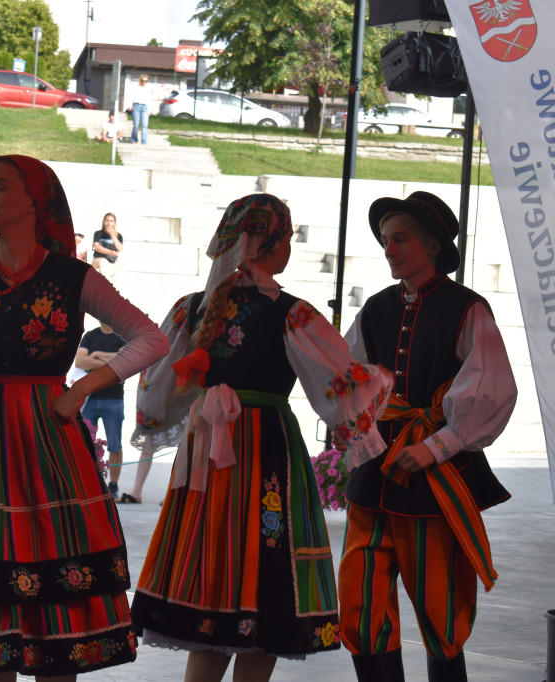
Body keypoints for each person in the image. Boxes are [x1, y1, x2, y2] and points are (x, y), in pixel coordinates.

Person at [0, 154, 169, 678]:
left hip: (50, 444)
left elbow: (153, 338)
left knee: (58, 597)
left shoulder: (72, 277)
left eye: (1, 187)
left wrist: (85, 386)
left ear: (35, 201)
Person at [130, 194, 392, 682]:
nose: (289, 245)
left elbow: (154, 397)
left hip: (207, 452)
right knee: (267, 575)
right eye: (287, 236)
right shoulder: (291, 313)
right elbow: (342, 384)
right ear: (270, 243)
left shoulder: (191, 310)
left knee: (214, 577)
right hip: (266, 450)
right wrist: (382, 379)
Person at [338, 192, 517, 682]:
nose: (389, 249)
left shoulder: (467, 308)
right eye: (384, 241)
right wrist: (354, 436)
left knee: (439, 603)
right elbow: (351, 381)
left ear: (433, 245)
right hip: (377, 473)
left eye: (401, 239)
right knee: (360, 596)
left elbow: (492, 386)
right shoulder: (375, 309)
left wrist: (436, 446)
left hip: (434, 478)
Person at [75, 323, 128, 500]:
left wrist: (96, 355)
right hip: (90, 397)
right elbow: (80, 361)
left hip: (113, 398)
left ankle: (112, 484)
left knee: (115, 444)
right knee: (85, 443)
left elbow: (127, 361)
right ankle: (88, 482)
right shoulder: (90, 336)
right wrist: (111, 361)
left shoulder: (122, 336)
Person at [91, 212, 124, 277]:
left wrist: (112, 234)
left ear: (114, 223)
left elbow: (120, 248)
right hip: (98, 260)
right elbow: (96, 247)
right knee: (104, 262)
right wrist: (110, 252)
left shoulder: (119, 236)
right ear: (104, 222)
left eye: (111, 221)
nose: (109, 223)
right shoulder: (98, 233)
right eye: (107, 220)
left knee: (100, 272)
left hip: (112, 263)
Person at [130, 74, 152, 144]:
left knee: (144, 125)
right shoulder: (136, 88)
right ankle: (134, 139)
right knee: (136, 125)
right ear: (140, 81)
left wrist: (150, 110)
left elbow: (150, 100)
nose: (144, 82)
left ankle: (144, 141)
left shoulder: (148, 89)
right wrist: (129, 105)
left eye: (146, 81)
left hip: (145, 107)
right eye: (143, 81)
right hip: (136, 106)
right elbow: (131, 97)